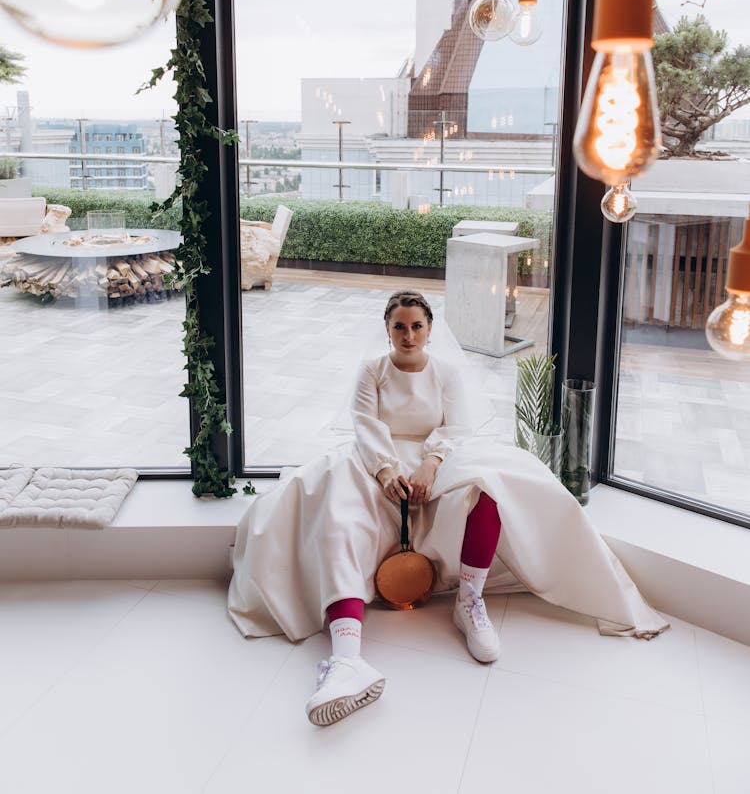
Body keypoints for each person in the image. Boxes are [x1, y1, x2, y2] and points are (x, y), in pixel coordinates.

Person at [228, 289, 667, 727]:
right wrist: (384, 472)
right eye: (399, 326)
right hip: (377, 456)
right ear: (386, 329)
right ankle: (347, 658)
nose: (408, 334)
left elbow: (457, 426)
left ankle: (469, 603)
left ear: (430, 329)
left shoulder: (446, 372)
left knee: (490, 488)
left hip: (438, 454)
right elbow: (365, 424)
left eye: (417, 325)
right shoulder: (371, 370)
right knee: (337, 506)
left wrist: (430, 465)